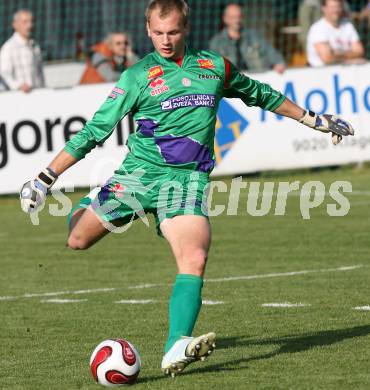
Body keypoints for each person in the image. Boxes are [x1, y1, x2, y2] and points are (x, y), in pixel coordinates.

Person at [20, 0, 354, 379]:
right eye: (159, 33)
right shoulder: (137, 76)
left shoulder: (213, 66)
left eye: (173, 32)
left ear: (186, 29)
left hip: (186, 181)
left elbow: (260, 93)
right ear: (148, 30)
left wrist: (314, 119)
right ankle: (94, 201)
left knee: (194, 258)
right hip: (137, 176)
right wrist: (46, 178)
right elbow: (94, 132)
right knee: (77, 239)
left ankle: (176, 344)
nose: (165, 40)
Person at [209, 3, 286, 73]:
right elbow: (211, 67)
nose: (237, 20)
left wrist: (278, 63)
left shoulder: (254, 36)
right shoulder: (216, 43)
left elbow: (271, 52)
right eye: (233, 17)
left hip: (256, 81)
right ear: (225, 19)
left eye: (239, 17)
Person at [306, 0, 365, 67]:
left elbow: (360, 51)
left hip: (347, 72)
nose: (336, 10)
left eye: (338, 7)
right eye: (332, 7)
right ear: (323, 8)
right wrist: (351, 58)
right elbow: (327, 58)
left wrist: (338, 53)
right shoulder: (317, 28)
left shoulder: (348, 25)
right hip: (321, 73)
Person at [0, 9, 45, 92]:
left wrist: (43, 89)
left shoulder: (35, 47)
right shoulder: (8, 48)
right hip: (16, 96)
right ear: (15, 25)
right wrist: (19, 85)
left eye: (31, 21)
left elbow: (40, 75)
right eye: (25, 22)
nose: (29, 25)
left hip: (36, 95)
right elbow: (4, 73)